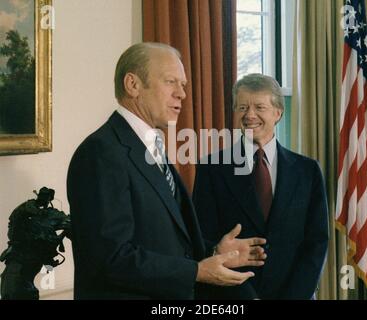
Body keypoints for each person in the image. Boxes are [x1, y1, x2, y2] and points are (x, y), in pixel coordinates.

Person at [66, 43, 266, 300]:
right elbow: (110, 258)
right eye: (171, 82)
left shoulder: (151, 146)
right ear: (133, 85)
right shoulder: (100, 153)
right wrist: (195, 272)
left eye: (183, 85)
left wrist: (215, 252)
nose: (182, 94)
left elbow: (166, 242)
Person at [193, 73, 329, 299]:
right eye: (242, 107)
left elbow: (316, 243)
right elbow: (202, 237)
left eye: (259, 107)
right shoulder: (211, 169)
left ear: (278, 113)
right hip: (232, 297)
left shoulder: (308, 171)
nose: (250, 115)